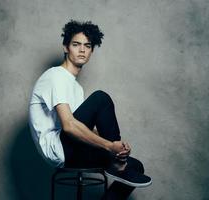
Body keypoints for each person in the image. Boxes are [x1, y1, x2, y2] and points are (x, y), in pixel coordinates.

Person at [29, 20, 152, 199]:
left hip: (72, 149)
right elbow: (69, 126)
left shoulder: (76, 88)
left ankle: (120, 161)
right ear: (66, 47)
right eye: (76, 44)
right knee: (101, 98)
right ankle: (117, 163)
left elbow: (82, 129)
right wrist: (110, 146)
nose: (82, 50)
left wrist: (119, 149)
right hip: (58, 149)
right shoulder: (55, 76)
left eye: (87, 46)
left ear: (91, 51)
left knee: (135, 167)